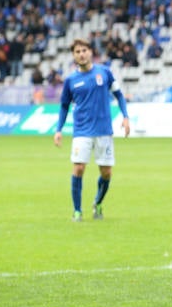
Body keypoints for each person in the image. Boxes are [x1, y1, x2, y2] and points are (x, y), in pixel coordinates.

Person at [54, 38, 131, 221]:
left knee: (106, 172)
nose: (81, 54)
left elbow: (119, 95)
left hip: (104, 130)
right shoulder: (70, 80)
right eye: (77, 51)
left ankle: (97, 202)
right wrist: (58, 130)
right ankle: (77, 210)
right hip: (81, 131)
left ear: (91, 52)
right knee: (79, 168)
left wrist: (125, 117)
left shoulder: (104, 73)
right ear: (74, 56)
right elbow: (64, 106)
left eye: (84, 50)